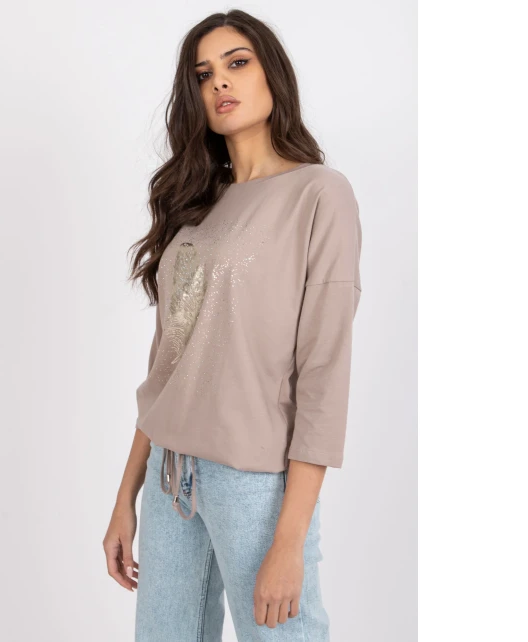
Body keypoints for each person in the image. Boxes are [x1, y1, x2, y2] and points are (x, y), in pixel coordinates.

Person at [102, 9, 362, 642]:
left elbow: (323, 376)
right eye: (203, 74)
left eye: (237, 63)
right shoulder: (196, 205)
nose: (219, 81)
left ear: (272, 74)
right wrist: (125, 497)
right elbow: (167, 364)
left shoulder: (318, 194)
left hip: (255, 484)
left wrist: (290, 540)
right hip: (169, 477)